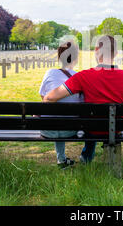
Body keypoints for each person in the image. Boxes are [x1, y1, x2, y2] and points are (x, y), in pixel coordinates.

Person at [44, 35, 123, 164]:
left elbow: (50, 97)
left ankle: (86, 159)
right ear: (115, 53)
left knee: (91, 122)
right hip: (116, 128)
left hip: (93, 129)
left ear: (96, 50)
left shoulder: (83, 76)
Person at [39, 40, 83, 169]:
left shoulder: (50, 73)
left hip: (48, 130)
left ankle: (61, 159)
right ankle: (83, 157)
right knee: (64, 118)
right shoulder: (79, 77)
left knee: (55, 117)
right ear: (76, 58)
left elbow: (43, 97)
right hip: (69, 130)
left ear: (59, 57)